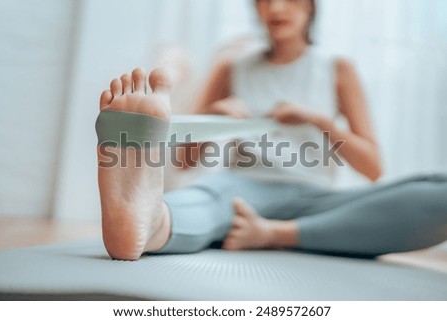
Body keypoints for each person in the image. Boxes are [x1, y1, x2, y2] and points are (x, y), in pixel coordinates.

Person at [96, 0, 447, 260]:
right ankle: (149, 221)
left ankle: (272, 233)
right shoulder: (231, 68)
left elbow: (373, 168)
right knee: (206, 199)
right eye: (265, 0)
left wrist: (319, 121)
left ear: (311, 8)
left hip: (315, 200)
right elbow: (186, 162)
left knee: (437, 192)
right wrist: (214, 114)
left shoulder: (337, 69)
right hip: (243, 190)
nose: (276, 7)